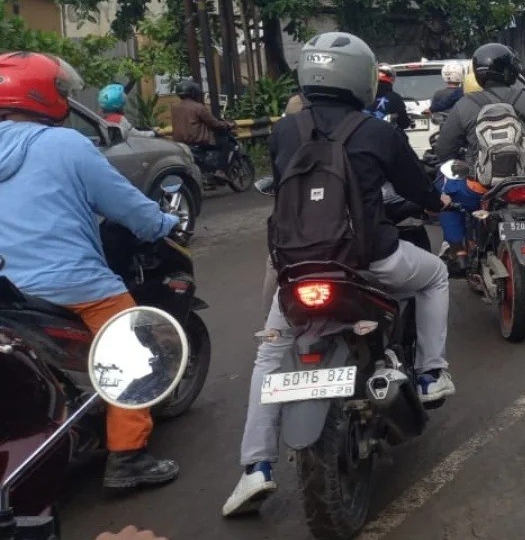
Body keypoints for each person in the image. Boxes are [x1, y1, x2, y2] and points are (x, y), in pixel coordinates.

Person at [222, 32, 455, 518]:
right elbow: (418, 187)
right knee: (434, 277)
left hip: (298, 267)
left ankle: (255, 470)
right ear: (360, 78)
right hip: (371, 261)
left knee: (271, 355)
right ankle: (432, 372)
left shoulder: (285, 130)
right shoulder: (378, 132)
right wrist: (440, 201)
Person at [0, 52, 181, 491]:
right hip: (75, 285)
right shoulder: (66, 145)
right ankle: (127, 458)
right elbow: (125, 204)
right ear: (43, 95)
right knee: (132, 350)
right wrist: (163, 224)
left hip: (8, 292)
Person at [432, 44, 525, 306]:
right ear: (511, 71)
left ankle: (459, 250)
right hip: (523, 183)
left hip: (480, 188)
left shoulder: (464, 105)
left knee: (447, 198)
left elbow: (445, 150)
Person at [168, 78, 234, 172]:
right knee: (224, 143)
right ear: (193, 92)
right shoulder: (198, 107)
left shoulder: (175, 108)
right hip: (197, 142)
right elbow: (214, 124)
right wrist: (227, 124)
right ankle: (221, 171)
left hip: (181, 143)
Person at [369, 64, 414, 130]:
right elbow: (404, 124)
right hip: (382, 136)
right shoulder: (395, 98)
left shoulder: (363, 94)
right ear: (392, 79)